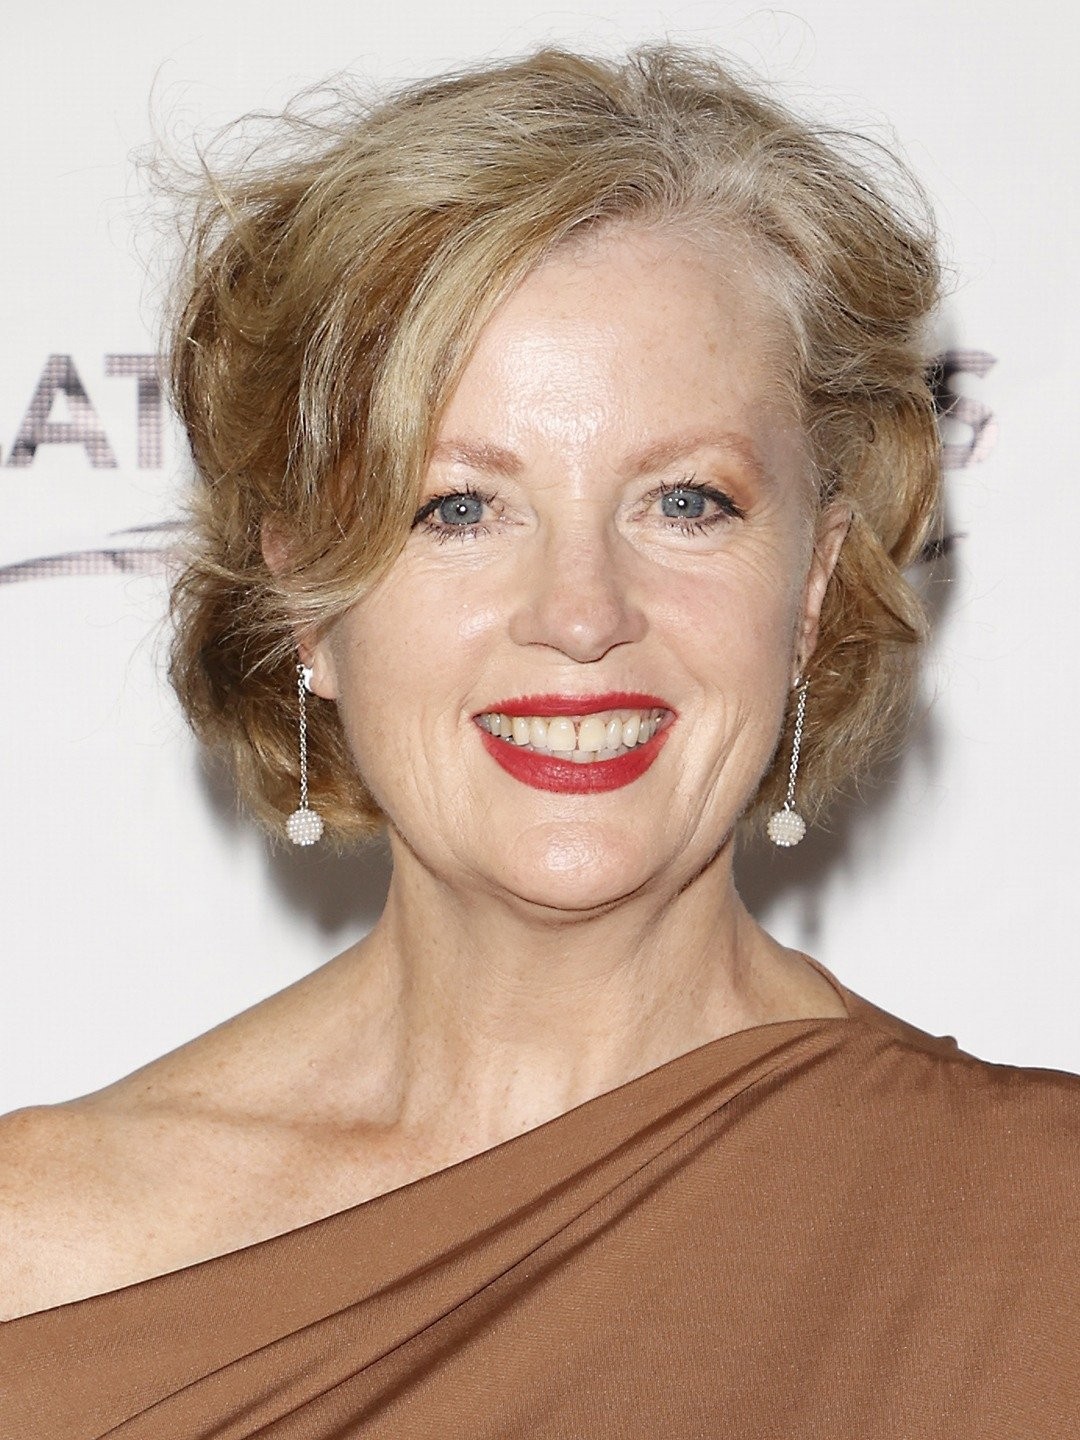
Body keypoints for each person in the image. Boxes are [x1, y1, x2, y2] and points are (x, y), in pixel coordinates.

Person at [0, 44, 1076, 1439]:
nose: (580, 615)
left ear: (811, 589)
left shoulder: (1033, 1230)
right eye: (459, 507)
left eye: (685, 502)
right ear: (306, 599)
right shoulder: (43, 1253)